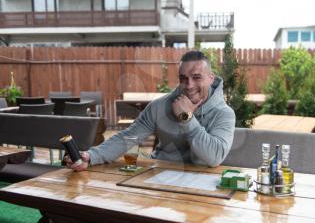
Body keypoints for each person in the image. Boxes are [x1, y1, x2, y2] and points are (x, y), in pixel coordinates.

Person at [67, 50, 236, 171]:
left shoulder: (224, 114)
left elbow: (214, 157)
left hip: (201, 183)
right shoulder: (160, 106)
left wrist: (186, 117)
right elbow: (128, 136)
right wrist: (92, 156)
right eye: (183, 78)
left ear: (211, 77)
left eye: (196, 77)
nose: (189, 85)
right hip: (160, 176)